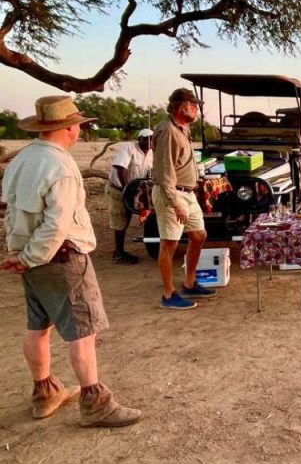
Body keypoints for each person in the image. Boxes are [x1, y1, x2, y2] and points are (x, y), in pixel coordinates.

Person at [1, 95, 142, 427]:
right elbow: (56, 224)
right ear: (67, 127)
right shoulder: (60, 166)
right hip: (61, 259)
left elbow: (11, 212)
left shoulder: (23, 159)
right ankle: (95, 403)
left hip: (31, 260)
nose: (80, 128)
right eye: (78, 123)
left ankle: (44, 392)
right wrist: (32, 256)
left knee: (38, 327)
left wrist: (18, 256)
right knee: (83, 331)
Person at [152, 87, 216, 310]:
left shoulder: (183, 129)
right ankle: (168, 295)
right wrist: (175, 201)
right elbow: (164, 171)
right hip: (173, 193)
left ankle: (189, 282)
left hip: (187, 192)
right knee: (169, 243)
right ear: (182, 107)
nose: (197, 109)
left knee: (199, 235)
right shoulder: (168, 131)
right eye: (194, 105)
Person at [105, 128, 153, 264]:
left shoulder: (151, 153)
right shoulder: (129, 147)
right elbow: (121, 168)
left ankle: (120, 251)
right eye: (146, 138)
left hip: (135, 189)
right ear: (140, 139)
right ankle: (118, 253)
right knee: (120, 219)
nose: (149, 141)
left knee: (131, 216)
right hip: (120, 189)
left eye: (151, 138)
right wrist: (126, 188)